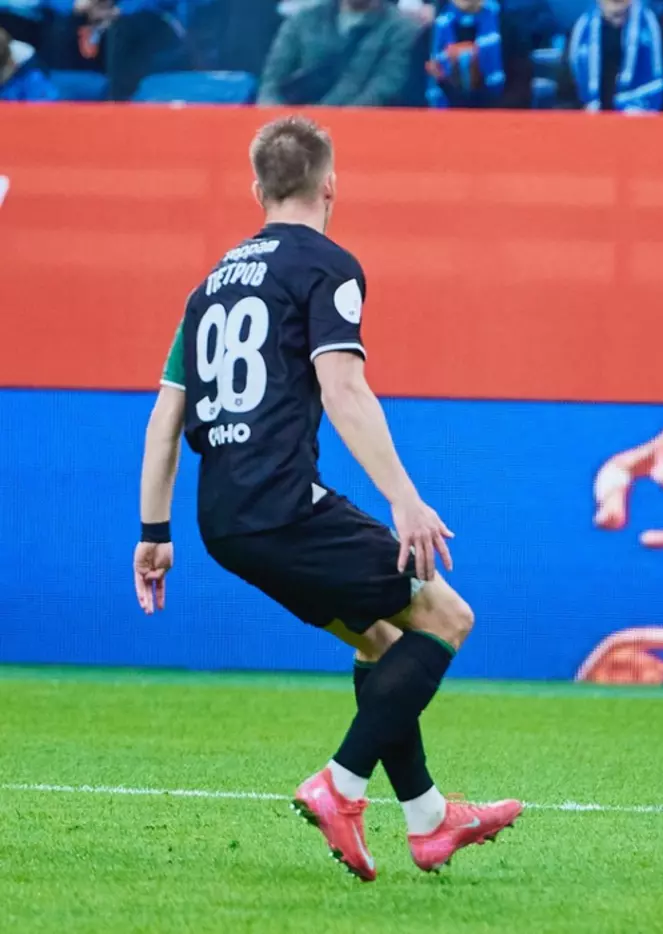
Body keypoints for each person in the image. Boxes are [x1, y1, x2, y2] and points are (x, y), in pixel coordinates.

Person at [132, 115, 522, 881]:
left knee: (381, 641)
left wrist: (154, 531)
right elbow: (342, 388)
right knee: (448, 618)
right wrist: (404, 499)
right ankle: (341, 785)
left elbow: (164, 420)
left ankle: (428, 820)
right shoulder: (326, 266)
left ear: (257, 189)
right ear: (331, 184)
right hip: (283, 506)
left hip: (224, 521)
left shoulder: (207, 290)